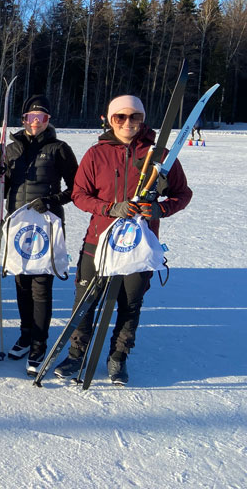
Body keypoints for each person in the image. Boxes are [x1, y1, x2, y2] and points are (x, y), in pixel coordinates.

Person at [54, 95, 192, 384]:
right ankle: (76, 354)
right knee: (86, 301)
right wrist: (109, 208)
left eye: (135, 117)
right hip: (99, 240)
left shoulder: (160, 155)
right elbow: (79, 195)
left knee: (130, 304)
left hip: (139, 244)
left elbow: (182, 193)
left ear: (143, 120)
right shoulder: (96, 154)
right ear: (109, 119)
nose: (128, 123)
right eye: (120, 117)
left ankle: (118, 357)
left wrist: (160, 208)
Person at [1, 95, 78, 374]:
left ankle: (39, 342)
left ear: (48, 121)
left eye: (41, 118)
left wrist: (51, 200)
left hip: (46, 224)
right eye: (30, 118)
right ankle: (25, 334)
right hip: (18, 224)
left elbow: (76, 188)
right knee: (21, 283)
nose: (35, 123)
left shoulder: (59, 148)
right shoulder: (11, 149)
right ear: (23, 121)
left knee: (40, 285)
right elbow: (4, 184)